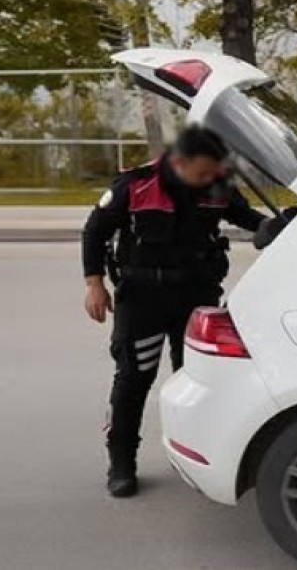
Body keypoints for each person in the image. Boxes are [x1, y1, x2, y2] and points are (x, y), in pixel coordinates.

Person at [81, 125, 267, 498]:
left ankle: (193, 459)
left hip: (195, 297)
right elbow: (95, 231)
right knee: (134, 379)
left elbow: (250, 220)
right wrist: (94, 283)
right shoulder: (135, 185)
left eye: (213, 173)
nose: (209, 181)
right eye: (201, 174)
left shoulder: (217, 184)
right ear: (178, 162)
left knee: (198, 384)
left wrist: (284, 225)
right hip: (142, 298)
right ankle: (121, 464)